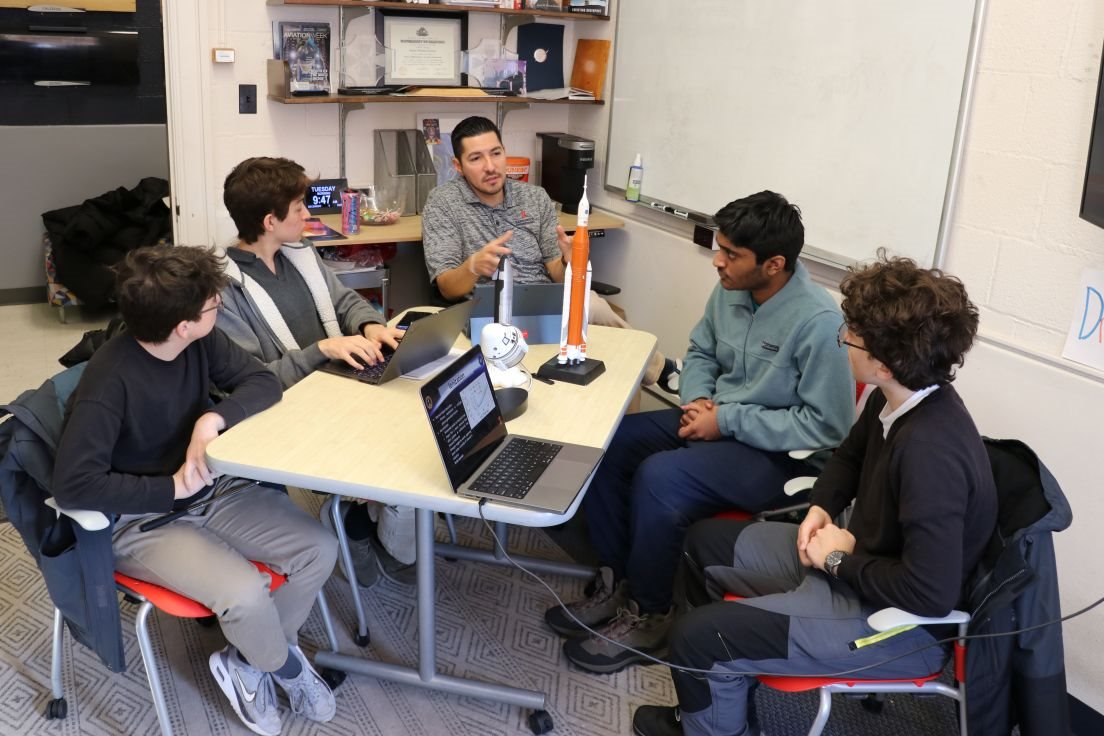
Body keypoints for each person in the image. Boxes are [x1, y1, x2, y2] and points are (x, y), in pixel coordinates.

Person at [631, 253, 999, 736]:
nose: (843, 339)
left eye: (852, 334)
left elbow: (930, 594)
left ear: (885, 363)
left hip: (897, 622)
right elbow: (846, 457)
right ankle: (725, 700)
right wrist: (821, 507)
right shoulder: (902, 397)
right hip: (859, 563)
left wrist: (838, 563)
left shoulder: (932, 453)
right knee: (703, 543)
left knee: (698, 638)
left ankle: (713, 723)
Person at [547, 191, 855, 673]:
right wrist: (696, 400)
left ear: (774, 264)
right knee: (612, 442)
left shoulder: (819, 322)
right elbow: (703, 351)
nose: (718, 261)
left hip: (784, 458)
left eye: (732, 254)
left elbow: (827, 426)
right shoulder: (731, 288)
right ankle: (618, 578)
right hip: (717, 419)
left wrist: (725, 420)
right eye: (720, 247)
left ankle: (652, 614)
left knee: (661, 478)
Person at [53, 245, 339, 736]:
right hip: (142, 519)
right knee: (246, 594)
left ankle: (252, 658)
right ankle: (283, 668)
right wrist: (168, 487)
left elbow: (261, 382)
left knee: (319, 548)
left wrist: (213, 417)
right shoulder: (109, 382)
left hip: (211, 492)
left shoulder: (199, 342)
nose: (220, 307)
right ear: (182, 324)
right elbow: (75, 484)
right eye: (212, 305)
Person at [215, 156, 415, 589]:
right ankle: (358, 519)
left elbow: (345, 302)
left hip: (337, 385)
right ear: (270, 220)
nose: (309, 214)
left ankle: (362, 514)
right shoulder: (225, 289)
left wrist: (371, 325)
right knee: (397, 449)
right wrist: (322, 349)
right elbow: (253, 379)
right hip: (291, 406)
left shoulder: (300, 255)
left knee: (417, 420)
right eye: (300, 207)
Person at [420, 115, 680, 392]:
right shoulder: (443, 203)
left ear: (504, 152)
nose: (490, 166)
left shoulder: (535, 197)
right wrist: (473, 266)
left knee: (594, 305)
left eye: (496, 153)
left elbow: (556, 272)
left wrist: (569, 260)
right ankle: (663, 370)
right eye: (476, 159)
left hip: (541, 301)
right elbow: (447, 287)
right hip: (485, 313)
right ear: (458, 166)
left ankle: (658, 370)